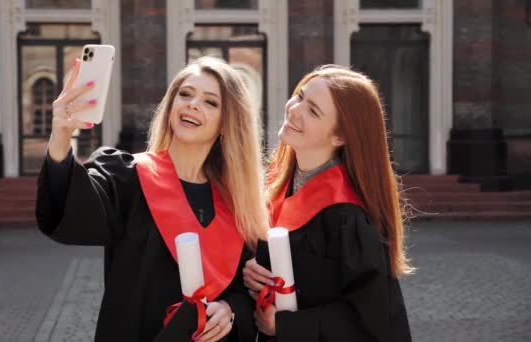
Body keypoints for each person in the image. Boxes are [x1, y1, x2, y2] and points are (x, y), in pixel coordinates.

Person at [36, 56, 268, 341]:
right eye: (184, 94)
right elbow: (73, 213)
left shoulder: (236, 204)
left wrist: (230, 309)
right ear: (170, 105)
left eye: (211, 102)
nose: (192, 104)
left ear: (226, 124)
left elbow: (246, 292)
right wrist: (60, 137)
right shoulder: (127, 177)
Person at [242, 65, 413, 341]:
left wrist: (287, 326)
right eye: (299, 96)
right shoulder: (276, 188)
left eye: (313, 110)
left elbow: (370, 321)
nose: (294, 110)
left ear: (340, 136)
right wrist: (252, 270)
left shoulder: (348, 215)